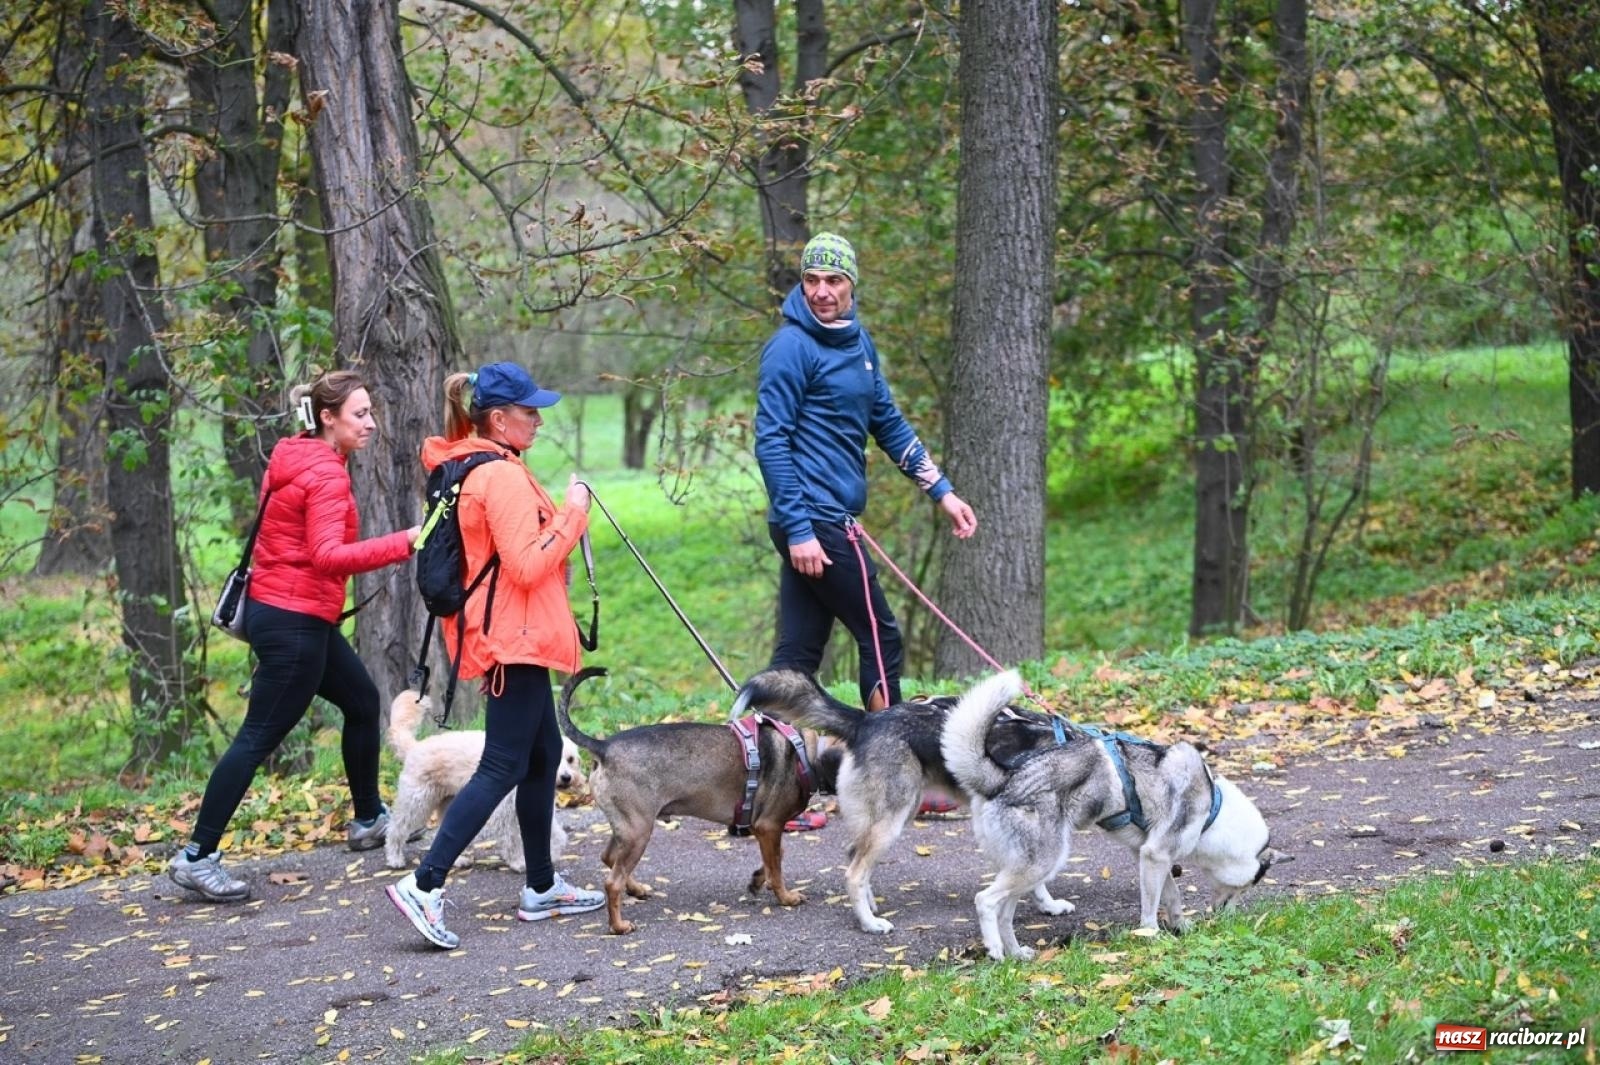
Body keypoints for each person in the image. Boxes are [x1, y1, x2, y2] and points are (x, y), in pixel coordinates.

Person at [168, 371, 421, 902]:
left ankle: (369, 818)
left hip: (286, 611)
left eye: (371, 412)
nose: (371, 424)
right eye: (360, 414)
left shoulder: (294, 455)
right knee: (257, 738)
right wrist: (405, 541)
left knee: (361, 701)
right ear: (327, 417)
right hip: (294, 622)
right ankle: (197, 856)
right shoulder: (325, 474)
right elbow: (327, 556)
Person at [754, 232, 978, 828]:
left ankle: (759, 793)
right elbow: (771, 442)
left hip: (824, 521)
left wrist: (943, 491)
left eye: (834, 280)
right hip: (814, 522)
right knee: (880, 636)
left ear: (852, 284)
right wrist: (799, 529)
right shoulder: (790, 347)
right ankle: (895, 779)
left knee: (795, 658)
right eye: (812, 280)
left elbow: (888, 422)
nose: (822, 291)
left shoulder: (858, 344)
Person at [386, 361, 603, 949]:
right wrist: (574, 511)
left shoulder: (489, 466)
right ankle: (424, 884)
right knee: (504, 764)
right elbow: (527, 565)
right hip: (514, 637)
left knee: (543, 754)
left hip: (515, 633)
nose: (538, 420)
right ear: (499, 419)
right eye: (530, 411)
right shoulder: (499, 477)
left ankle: (542, 885)